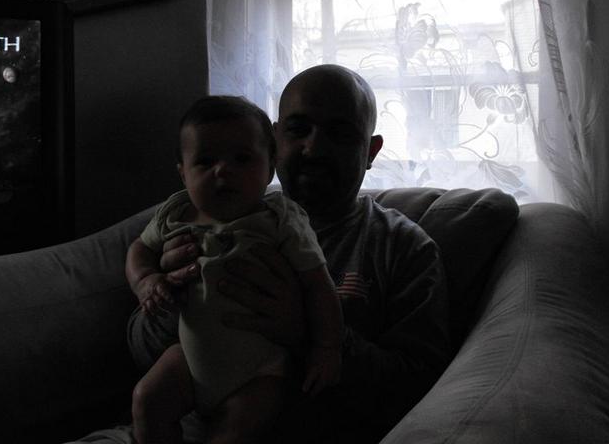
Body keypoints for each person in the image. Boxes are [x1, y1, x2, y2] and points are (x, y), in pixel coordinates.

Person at [127, 64, 451, 443]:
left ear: (371, 150)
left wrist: (308, 330)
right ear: (275, 139)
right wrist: (170, 293)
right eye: (298, 130)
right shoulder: (200, 216)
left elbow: (419, 391)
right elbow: (139, 351)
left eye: (340, 133)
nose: (314, 148)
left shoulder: (404, 249)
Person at [125, 95, 344, 444]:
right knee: (146, 400)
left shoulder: (280, 220)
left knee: (234, 432)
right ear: (183, 173)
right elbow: (140, 249)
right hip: (189, 356)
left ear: (269, 168)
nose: (223, 170)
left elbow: (319, 284)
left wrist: (327, 347)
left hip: (260, 370)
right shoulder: (177, 213)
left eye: (242, 158)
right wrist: (146, 281)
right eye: (205, 161)